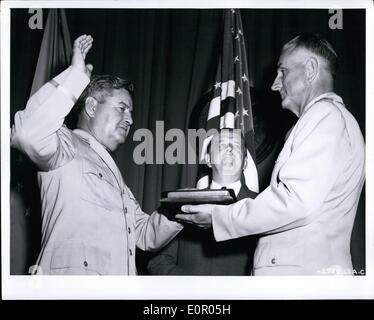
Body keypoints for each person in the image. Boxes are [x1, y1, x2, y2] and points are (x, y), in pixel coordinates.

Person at [176, 33, 365, 275]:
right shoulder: (337, 120)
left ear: (310, 69)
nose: (275, 84)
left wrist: (218, 217)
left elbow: (296, 203)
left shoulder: (324, 116)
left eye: (282, 72)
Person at [10, 35, 183, 275]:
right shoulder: (65, 144)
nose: (131, 119)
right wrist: (76, 76)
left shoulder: (117, 179)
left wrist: (180, 210)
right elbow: (26, 132)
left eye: (131, 112)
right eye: (122, 109)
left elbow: (144, 234)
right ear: (91, 107)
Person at [148, 129, 257, 275]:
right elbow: (158, 261)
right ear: (207, 159)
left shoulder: (261, 205)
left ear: (245, 162)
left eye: (236, 145)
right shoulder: (181, 202)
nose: (229, 149)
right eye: (221, 144)